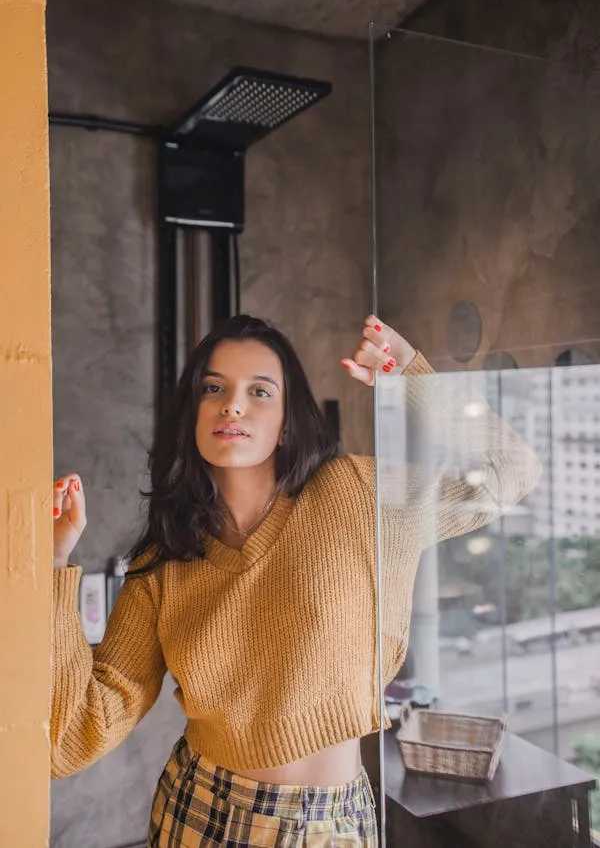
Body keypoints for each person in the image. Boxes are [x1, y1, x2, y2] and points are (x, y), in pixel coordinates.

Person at [51, 314, 541, 847]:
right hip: (200, 813)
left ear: (287, 421)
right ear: (192, 411)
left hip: (337, 820)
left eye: (259, 391)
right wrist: (52, 566)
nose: (232, 405)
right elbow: (72, 738)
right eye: (213, 388)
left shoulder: (355, 495)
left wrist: (408, 375)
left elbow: (511, 470)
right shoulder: (167, 558)